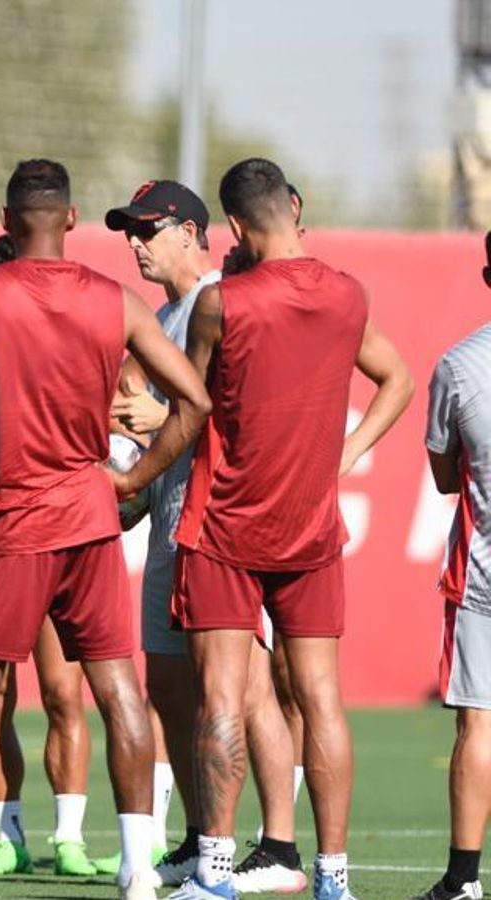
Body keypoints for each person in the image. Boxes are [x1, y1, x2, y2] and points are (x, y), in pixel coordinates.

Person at [0, 159, 212, 900]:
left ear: (6, 220)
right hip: (89, 517)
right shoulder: (115, 301)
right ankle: (139, 870)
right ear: (72, 219)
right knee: (118, 691)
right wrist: (135, 480)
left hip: (7, 520)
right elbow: (196, 399)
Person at [166, 158, 413, 900]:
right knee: (321, 699)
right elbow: (397, 379)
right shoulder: (347, 294)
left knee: (220, 698)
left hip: (225, 531)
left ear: (234, 227)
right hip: (310, 530)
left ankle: (212, 870)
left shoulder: (223, 304)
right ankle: (333, 875)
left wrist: (127, 480)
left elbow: (188, 411)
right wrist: (349, 450)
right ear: (293, 209)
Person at [101, 179, 306, 893]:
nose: (134, 242)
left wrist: (149, 428)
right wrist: (130, 482)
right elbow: (156, 425)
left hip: (221, 522)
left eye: (146, 228)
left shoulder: (224, 299)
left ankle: (278, 848)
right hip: (170, 519)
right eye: (128, 230)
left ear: (190, 231)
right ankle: (198, 835)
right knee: (172, 690)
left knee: (246, 689)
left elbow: (234, 416)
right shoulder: (165, 313)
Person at [409, 230, 491, 900]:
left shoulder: (459, 365)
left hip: (484, 578)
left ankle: (463, 879)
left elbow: (443, 476)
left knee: (478, 723)